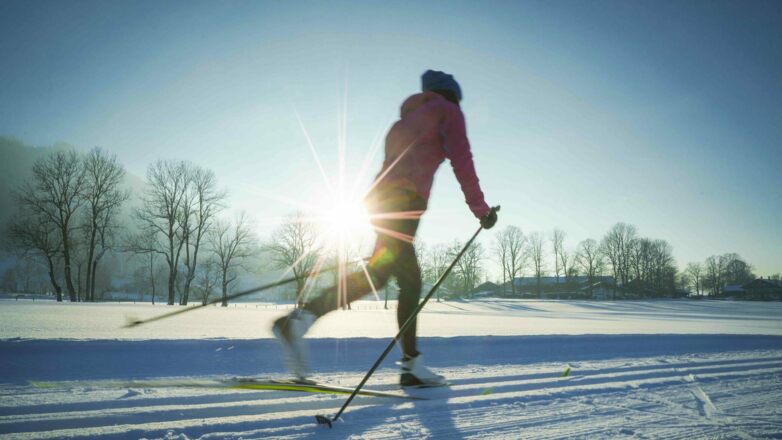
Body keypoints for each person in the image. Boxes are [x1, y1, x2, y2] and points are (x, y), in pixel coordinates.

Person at [273, 69, 497, 387]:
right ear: (452, 94)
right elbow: (463, 160)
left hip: (380, 204)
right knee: (408, 282)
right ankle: (407, 365)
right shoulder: (449, 112)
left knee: (383, 275)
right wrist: (482, 211)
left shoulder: (403, 121)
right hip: (405, 204)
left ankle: (304, 321)